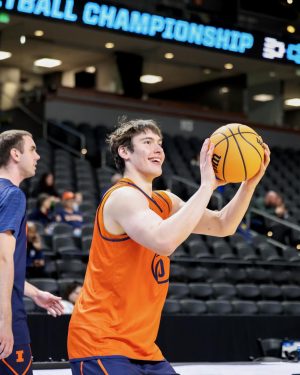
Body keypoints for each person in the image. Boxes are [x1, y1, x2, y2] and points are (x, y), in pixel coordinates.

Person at [67, 119, 270, 374]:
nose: (158, 149)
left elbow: (222, 225)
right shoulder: (122, 197)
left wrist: (248, 184)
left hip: (143, 346)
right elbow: (164, 241)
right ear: (124, 151)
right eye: (147, 142)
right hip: (101, 342)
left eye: (160, 143)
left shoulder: (165, 200)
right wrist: (207, 186)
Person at [0, 130, 64, 375]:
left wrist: (35, 293)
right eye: (33, 149)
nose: (37, 156)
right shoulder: (13, 195)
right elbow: (3, 259)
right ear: (15, 154)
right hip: (8, 323)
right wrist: (5, 323)